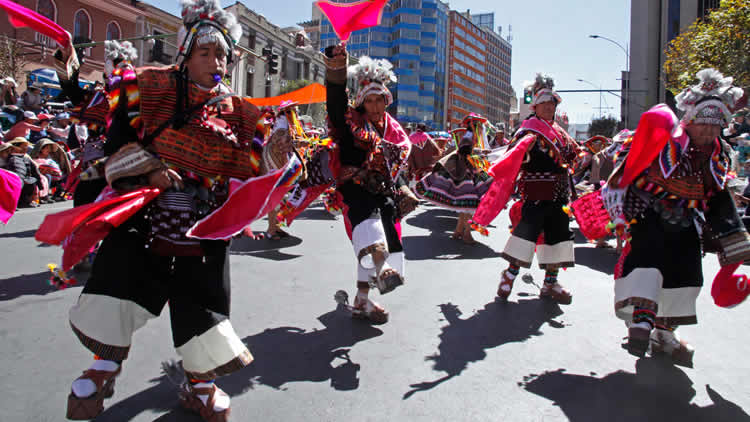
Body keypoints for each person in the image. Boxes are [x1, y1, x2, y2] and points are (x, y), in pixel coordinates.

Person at [55, 1, 285, 420]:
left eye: (222, 55)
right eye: (205, 53)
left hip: (202, 231)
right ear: (185, 53)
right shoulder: (147, 87)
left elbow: (258, 177)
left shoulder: (245, 116)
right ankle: (104, 366)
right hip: (143, 221)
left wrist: (281, 158)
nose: (216, 62)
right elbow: (113, 148)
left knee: (204, 304)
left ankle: (200, 382)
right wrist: (151, 171)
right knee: (118, 288)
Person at [604, 69, 750, 367]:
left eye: (716, 126)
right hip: (651, 219)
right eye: (704, 125)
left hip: (687, 226)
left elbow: (718, 197)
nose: (709, 132)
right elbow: (628, 167)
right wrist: (621, 210)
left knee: (685, 279)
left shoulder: (719, 155)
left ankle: (664, 334)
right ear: (691, 120)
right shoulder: (665, 142)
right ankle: (641, 324)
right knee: (647, 270)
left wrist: (733, 238)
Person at [324, 44, 417, 324]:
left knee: (380, 236)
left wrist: (403, 188)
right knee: (371, 232)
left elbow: (394, 166)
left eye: (380, 100)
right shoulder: (350, 121)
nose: (375, 106)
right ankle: (382, 268)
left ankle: (362, 300)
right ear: (362, 102)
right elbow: (336, 103)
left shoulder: (394, 130)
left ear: (386, 101)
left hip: (383, 194)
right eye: (370, 101)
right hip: (355, 191)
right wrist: (338, 68)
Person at [473, 74, 579, 304]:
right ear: (536, 106)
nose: (549, 107)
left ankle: (551, 282)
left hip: (560, 195)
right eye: (545, 104)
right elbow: (513, 156)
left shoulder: (560, 132)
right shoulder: (529, 130)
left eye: (553, 104)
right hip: (536, 194)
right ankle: (509, 275)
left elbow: (574, 154)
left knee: (558, 237)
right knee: (526, 235)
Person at [415, 114, 494, 244]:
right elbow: (464, 151)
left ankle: (458, 231)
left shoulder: (470, 136)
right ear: (475, 126)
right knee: (469, 205)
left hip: (467, 171)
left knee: (466, 206)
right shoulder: (469, 136)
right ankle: (467, 234)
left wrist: (479, 153)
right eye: (480, 127)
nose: (482, 130)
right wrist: (479, 153)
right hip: (465, 172)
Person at [4, 137, 42, 207]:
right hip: (12, 180)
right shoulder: (8, 158)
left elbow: (35, 171)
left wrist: (40, 185)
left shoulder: (26, 158)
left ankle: (24, 201)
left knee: (31, 181)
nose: (26, 148)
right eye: (24, 146)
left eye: (26, 146)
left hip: (24, 180)